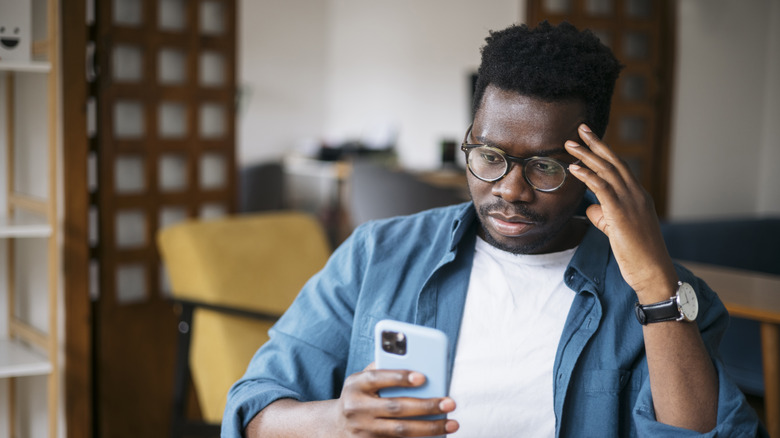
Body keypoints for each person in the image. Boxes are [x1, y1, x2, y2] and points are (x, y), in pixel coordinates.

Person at [223, 21, 766, 437]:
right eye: (489, 155)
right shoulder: (377, 255)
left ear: (592, 169)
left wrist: (654, 286)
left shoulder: (667, 300)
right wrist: (337, 420)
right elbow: (253, 406)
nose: (510, 189)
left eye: (545, 167)